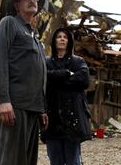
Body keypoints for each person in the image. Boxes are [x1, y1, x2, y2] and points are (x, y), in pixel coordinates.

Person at [0, 0, 48, 165]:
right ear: (16, 5)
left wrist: (41, 107)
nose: (32, 0)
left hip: (32, 109)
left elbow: (38, 73)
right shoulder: (9, 23)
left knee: (28, 161)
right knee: (11, 161)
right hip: (14, 106)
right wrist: (3, 100)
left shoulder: (35, 36)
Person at [42, 27, 92, 165]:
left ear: (69, 42)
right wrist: (65, 73)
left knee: (73, 160)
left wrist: (54, 79)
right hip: (52, 116)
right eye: (59, 36)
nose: (62, 39)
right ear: (54, 41)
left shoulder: (78, 61)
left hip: (73, 116)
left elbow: (84, 80)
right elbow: (42, 79)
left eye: (65, 37)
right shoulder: (46, 62)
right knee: (55, 159)